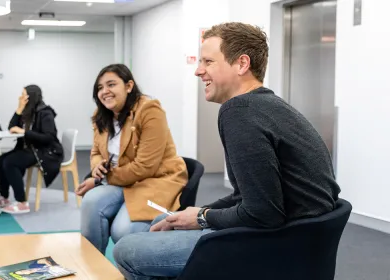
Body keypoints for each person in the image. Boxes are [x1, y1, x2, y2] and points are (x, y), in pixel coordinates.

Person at [113, 22, 341, 280]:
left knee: (126, 250)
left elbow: (263, 213)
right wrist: (199, 212)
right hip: (302, 241)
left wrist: (202, 217)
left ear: (241, 64)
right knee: (160, 225)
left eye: (208, 61)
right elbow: (249, 196)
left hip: (277, 244)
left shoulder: (239, 112)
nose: (198, 71)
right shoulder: (270, 106)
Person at [75, 64, 188, 254]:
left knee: (123, 231)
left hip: (155, 180)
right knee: (90, 202)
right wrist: (97, 168)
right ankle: (92, 267)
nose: (105, 91)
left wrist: (99, 180)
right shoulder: (101, 116)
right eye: (100, 88)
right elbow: (96, 153)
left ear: (129, 86)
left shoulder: (150, 110)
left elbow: (145, 168)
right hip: (124, 181)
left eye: (111, 84)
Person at [0, 85, 63, 214]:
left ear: (31, 96)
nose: (21, 97)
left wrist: (24, 132)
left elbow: (49, 137)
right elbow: (11, 127)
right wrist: (19, 108)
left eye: (24, 95)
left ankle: (21, 202)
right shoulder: (26, 111)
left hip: (43, 151)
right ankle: (4, 197)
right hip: (29, 149)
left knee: (10, 162)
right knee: (0, 160)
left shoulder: (45, 113)